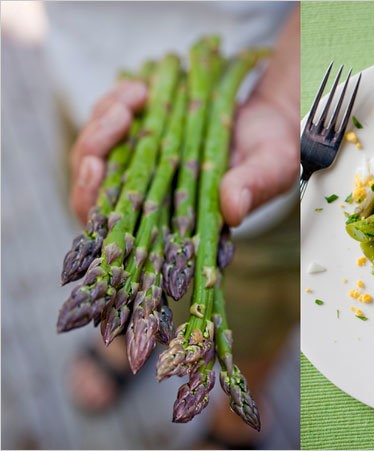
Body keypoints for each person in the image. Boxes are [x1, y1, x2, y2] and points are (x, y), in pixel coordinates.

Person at [54, 1, 299, 433]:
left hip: (272, 73)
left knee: (261, 312)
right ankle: (128, 313)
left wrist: (283, 94)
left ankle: (235, 414)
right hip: (92, 72)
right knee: (113, 225)